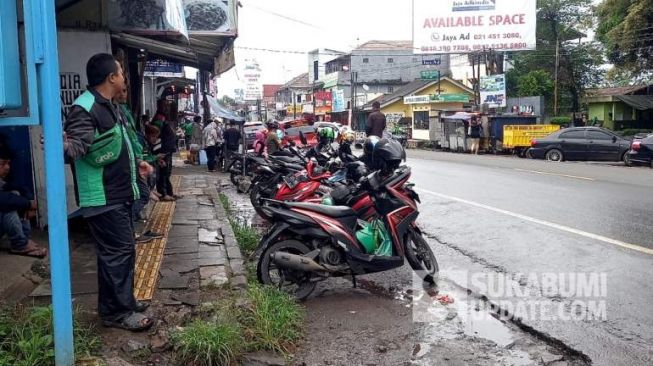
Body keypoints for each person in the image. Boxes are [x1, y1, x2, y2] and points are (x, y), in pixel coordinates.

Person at [63, 53, 153, 331]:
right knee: (118, 253)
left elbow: (112, 145)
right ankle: (118, 314)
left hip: (118, 194)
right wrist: (59, 143)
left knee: (119, 253)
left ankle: (119, 303)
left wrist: (137, 163)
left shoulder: (108, 106)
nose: (124, 77)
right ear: (111, 77)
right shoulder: (85, 107)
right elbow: (76, 149)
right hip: (101, 198)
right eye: (121, 73)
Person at [0, 147, 48, 258]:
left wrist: (30, 202)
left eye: (8, 163)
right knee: (8, 205)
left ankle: (24, 240)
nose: (7, 167)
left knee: (16, 194)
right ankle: (20, 244)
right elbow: (3, 199)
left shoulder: (4, 179)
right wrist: (28, 204)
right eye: (2, 164)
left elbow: (20, 187)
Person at [151, 100, 177, 201]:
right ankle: (163, 193)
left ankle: (169, 192)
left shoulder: (165, 119)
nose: (167, 108)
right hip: (163, 150)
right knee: (163, 173)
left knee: (167, 173)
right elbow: (155, 133)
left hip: (167, 150)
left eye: (168, 106)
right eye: (165, 106)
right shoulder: (160, 118)